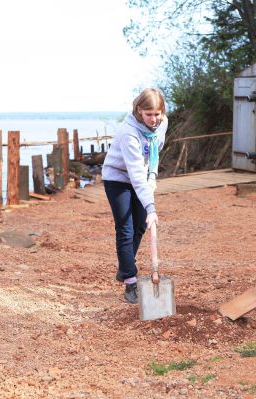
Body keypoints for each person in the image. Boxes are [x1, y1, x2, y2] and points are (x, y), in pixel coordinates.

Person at [102, 88, 167, 304]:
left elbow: (154, 154)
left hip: (141, 177)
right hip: (118, 179)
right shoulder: (129, 132)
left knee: (140, 226)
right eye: (149, 114)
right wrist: (151, 207)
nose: (154, 119)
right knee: (126, 228)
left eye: (157, 114)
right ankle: (130, 280)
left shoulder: (162, 123)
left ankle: (124, 267)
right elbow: (135, 173)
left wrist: (153, 177)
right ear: (139, 110)